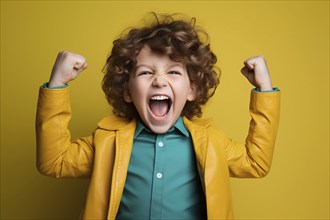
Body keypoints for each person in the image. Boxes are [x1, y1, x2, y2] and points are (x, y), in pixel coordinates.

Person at [36, 13, 280, 220]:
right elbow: (54, 161)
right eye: (145, 72)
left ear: (192, 89)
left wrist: (264, 90)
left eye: (174, 71)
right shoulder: (106, 141)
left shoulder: (212, 142)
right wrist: (57, 84)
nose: (160, 80)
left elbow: (255, 162)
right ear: (127, 90)